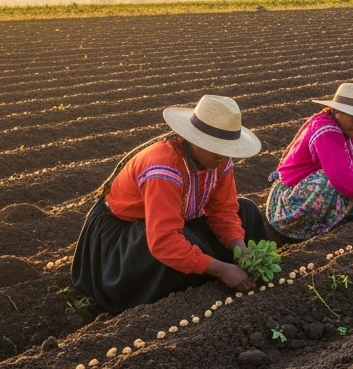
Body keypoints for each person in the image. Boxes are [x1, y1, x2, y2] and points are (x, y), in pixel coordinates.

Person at [71, 95, 269, 314]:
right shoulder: (164, 168)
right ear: (196, 140)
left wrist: (241, 250)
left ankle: (226, 270)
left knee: (247, 210)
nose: (224, 156)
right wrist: (222, 271)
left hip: (172, 221)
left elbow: (224, 210)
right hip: (126, 237)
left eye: (228, 149)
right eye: (217, 148)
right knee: (185, 242)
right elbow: (164, 239)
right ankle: (203, 279)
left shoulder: (218, 161)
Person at [266, 83, 353, 240]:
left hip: (316, 188)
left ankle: (341, 213)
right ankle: (311, 227)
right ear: (337, 112)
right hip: (291, 200)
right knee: (328, 180)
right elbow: (339, 174)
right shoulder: (325, 129)